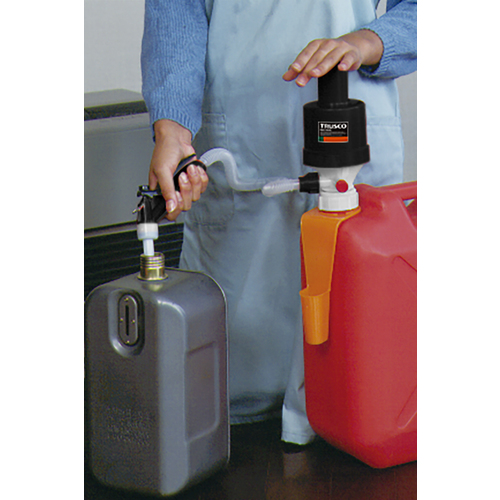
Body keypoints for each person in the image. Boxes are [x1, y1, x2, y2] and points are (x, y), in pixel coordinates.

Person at [141, 0, 417, 444]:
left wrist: (369, 41)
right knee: (228, 392)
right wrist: (172, 130)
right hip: (243, 143)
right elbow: (177, 10)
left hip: (351, 123)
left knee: (360, 382)